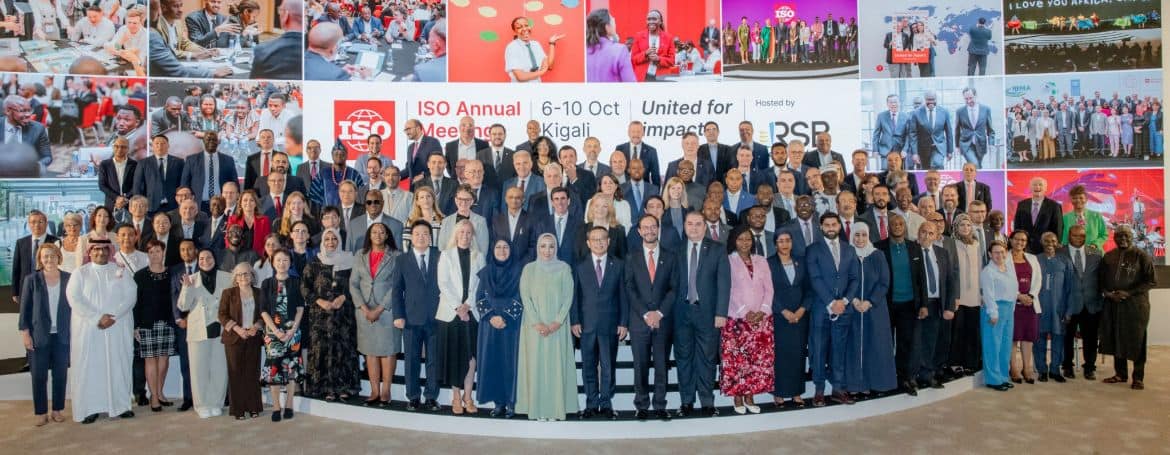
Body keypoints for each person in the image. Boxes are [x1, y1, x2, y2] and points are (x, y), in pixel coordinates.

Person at [67, 239, 137, 423]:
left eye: (104, 249)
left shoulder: (121, 271)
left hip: (117, 327)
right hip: (90, 329)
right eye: (96, 249)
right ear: (89, 252)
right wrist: (97, 317)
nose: (100, 253)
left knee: (118, 365)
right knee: (90, 368)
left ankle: (121, 406)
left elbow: (131, 295)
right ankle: (90, 408)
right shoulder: (80, 273)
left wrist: (114, 316)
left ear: (110, 251)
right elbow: (74, 299)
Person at [671, 212, 727, 417]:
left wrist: (721, 312)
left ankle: (707, 402)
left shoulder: (718, 249)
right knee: (683, 358)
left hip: (708, 313)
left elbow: (724, 283)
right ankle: (686, 402)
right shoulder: (675, 250)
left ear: (705, 227)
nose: (693, 228)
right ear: (684, 226)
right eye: (690, 224)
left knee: (707, 359)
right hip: (681, 313)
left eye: (698, 224)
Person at [516, 233, 577, 421]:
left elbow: (568, 297)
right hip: (534, 327)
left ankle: (555, 410)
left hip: (557, 327)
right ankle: (537, 410)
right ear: (537, 248)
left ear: (556, 248)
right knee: (535, 367)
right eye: (543, 246)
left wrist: (556, 322)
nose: (547, 250)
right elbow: (525, 297)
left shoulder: (564, 268)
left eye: (551, 246)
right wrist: (537, 323)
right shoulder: (529, 269)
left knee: (556, 368)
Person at [624, 215, 678, 420]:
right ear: (639, 231)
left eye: (653, 227)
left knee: (662, 364)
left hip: (663, 320)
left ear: (658, 229)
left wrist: (659, 313)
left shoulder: (670, 256)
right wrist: (646, 314)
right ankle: (642, 405)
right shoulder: (631, 257)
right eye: (645, 227)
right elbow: (629, 288)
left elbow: (674, 288)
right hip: (639, 321)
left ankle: (660, 404)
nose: (649, 231)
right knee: (641, 365)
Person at [570, 227, 627, 419]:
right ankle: (591, 403)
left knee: (608, 366)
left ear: (608, 241)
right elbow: (575, 296)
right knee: (588, 366)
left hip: (610, 324)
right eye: (594, 239)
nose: (599, 242)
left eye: (602, 239)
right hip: (586, 325)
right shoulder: (579, 266)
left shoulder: (618, 264)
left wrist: (623, 322)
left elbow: (623, 295)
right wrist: (575, 320)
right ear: (588, 243)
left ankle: (606, 403)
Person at [719, 225, 773, 414]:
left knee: (756, 361)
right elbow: (728, 289)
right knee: (738, 360)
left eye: (748, 239)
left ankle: (750, 396)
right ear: (734, 241)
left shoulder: (761, 260)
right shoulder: (728, 261)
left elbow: (769, 289)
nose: (745, 243)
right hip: (737, 320)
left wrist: (763, 310)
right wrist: (745, 312)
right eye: (740, 239)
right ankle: (738, 396)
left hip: (761, 321)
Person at [806, 212, 858, 406]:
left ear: (839, 226)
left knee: (839, 350)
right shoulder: (813, 250)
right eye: (826, 225)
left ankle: (838, 389)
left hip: (844, 309)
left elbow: (854, 279)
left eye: (833, 224)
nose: (830, 228)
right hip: (821, 308)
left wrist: (844, 301)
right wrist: (831, 303)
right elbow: (815, 279)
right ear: (821, 227)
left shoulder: (849, 249)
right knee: (819, 350)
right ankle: (819, 391)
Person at [302, 229, 359, 401]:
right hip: (320, 316)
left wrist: (344, 297)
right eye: (327, 239)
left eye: (334, 238)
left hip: (344, 315)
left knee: (343, 349)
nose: (331, 242)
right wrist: (319, 301)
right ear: (322, 242)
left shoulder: (350, 261)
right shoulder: (314, 262)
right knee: (322, 349)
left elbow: (356, 284)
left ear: (340, 241)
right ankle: (325, 388)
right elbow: (305, 287)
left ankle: (344, 387)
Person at [391, 221, 442, 412]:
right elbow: (397, 290)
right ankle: (413, 397)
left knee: (434, 360)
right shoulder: (402, 260)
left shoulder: (439, 256)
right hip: (411, 318)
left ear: (430, 237)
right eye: (417, 234)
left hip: (436, 317)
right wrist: (398, 315)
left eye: (425, 233)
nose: (421, 237)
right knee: (411, 359)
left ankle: (431, 397)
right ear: (411, 238)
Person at [19, 243, 71, 426]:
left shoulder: (69, 278)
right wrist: (25, 334)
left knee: (60, 375)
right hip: (39, 336)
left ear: (58, 257)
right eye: (45, 256)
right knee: (39, 376)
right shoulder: (31, 280)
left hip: (62, 336)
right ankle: (41, 412)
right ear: (40, 259)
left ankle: (57, 410)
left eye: (52, 255)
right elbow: (24, 309)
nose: (49, 259)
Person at [1099, 226, 1156, 390]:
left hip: (1135, 305)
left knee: (1137, 339)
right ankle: (1120, 374)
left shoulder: (1141, 256)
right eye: (1119, 236)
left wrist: (1128, 293)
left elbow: (1151, 281)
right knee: (1116, 338)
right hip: (1113, 303)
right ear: (1114, 238)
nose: (1123, 238)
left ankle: (1138, 377)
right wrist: (1108, 294)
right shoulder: (1108, 256)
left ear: (1132, 237)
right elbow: (1101, 280)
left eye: (1126, 235)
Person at [436, 220, 484, 414]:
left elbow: (480, 285)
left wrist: (468, 305)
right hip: (451, 313)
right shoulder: (446, 255)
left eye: (468, 232)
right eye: (461, 232)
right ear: (455, 234)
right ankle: (456, 397)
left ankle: (468, 396)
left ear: (473, 236)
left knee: (471, 357)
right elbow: (443, 283)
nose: (465, 235)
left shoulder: (479, 256)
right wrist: (458, 307)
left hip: (472, 313)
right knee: (455, 356)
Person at [175, 249, 230, 418]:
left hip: (221, 329)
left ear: (215, 258)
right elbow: (183, 306)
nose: (205, 261)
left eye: (209, 257)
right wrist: (187, 288)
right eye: (202, 258)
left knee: (219, 369)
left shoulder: (227, 277)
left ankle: (216, 403)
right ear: (198, 261)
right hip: (199, 330)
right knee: (199, 370)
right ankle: (202, 405)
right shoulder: (191, 279)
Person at [349, 223, 399, 406]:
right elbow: (353, 284)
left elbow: (396, 285)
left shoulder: (396, 256)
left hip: (386, 310)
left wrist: (379, 309)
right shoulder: (359, 255)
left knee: (387, 350)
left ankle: (386, 391)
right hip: (364, 311)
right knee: (370, 351)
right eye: (374, 232)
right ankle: (374, 391)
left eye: (381, 232)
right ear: (369, 235)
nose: (378, 235)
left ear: (387, 235)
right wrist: (364, 308)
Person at [476, 240, 524, 418]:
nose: (502, 250)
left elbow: (522, 296)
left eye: (506, 247)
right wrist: (491, 317)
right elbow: (479, 297)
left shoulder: (519, 271)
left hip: (512, 325)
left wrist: (505, 317)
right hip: (489, 326)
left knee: (510, 363)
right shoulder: (486, 272)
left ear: (511, 250)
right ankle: (498, 403)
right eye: (498, 247)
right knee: (493, 363)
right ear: (492, 250)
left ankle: (511, 402)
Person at [258, 249, 304, 422]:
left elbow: (300, 308)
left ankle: (289, 404)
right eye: (278, 260)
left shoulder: (296, 282)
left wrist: (292, 330)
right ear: (272, 262)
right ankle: (276, 406)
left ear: (290, 262)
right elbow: (263, 310)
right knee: (274, 369)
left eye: (285, 260)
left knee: (291, 368)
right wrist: (276, 331)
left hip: (293, 332)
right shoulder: (266, 283)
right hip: (272, 333)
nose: (282, 263)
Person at [134, 240, 176, 412]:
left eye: (158, 251)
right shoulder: (140, 275)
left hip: (167, 321)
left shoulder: (172, 273)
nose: (155, 255)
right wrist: (135, 325)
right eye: (151, 252)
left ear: (163, 252)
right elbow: (136, 302)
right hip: (147, 323)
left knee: (164, 359)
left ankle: (159, 392)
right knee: (150, 359)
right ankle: (154, 397)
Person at [767, 231, 808, 406]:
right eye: (780, 241)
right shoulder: (769, 263)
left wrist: (801, 310)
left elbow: (809, 289)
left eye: (787, 240)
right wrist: (783, 311)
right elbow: (767, 290)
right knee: (781, 356)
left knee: (798, 355)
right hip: (779, 316)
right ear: (775, 244)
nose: (784, 244)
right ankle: (779, 393)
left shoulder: (801, 261)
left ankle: (796, 392)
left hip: (800, 317)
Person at [219, 262, 263, 419]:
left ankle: (253, 407)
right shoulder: (228, 293)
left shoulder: (259, 293)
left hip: (253, 337)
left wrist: (256, 327)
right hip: (234, 338)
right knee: (235, 374)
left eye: (246, 273)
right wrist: (238, 329)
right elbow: (222, 315)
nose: (243, 277)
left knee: (252, 373)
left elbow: (264, 314)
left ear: (252, 276)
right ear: (235, 278)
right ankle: (238, 410)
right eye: (240, 274)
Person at [1060, 225, 1103, 380]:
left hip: (1091, 303)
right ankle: (1067, 366)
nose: (1079, 238)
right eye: (1075, 235)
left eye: (1082, 236)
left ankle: (1089, 367)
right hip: (1069, 304)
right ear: (1069, 236)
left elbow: (1102, 277)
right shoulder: (1060, 252)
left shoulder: (1096, 254)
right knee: (1067, 337)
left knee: (1091, 338)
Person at [1034, 232, 1076, 383]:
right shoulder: (1035, 260)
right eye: (1046, 241)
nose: (1050, 243)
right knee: (1039, 340)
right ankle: (1042, 370)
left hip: (1059, 308)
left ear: (1057, 243)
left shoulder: (1065, 261)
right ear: (1041, 242)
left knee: (1058, 339)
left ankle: (1055, 370)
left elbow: (1071, 288)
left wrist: (1069, 310)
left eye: (1053, 241)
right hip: (1039, 307)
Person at [947, 214, 983, 376]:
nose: (966, 228)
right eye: (962, 225)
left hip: (975, 295)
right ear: (956, 227)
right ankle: (955, 362)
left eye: (968, 225)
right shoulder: (952, 244)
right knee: (958, 331)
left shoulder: (977, 245)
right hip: (959, 296)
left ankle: (970, 362)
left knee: (972, 330)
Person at [981, 241, 1017, 391]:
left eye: (1002, 252)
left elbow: (1013, 289)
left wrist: (1012, 308)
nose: (999, 255)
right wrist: (993, 313)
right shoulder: (988, 271)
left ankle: (1003, 376)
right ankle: (993, 379)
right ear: (990, 254)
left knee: (1005, 345)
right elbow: (988, 294)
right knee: (992, 345)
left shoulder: (1008, 268)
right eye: (996, 252)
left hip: (1008, 309)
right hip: (994, 309)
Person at [1007, 230, 1042, 384]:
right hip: (1012, 305)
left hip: (1030, 305)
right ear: (1011, 240)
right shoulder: (1004, 257)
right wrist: (1018, 296)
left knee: (1028, 337)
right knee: (1013, 337)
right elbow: (1003, 280)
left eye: (1023, 240)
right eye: (1017, 239)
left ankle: (1027, 368)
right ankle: (1014, 368)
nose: (1020, 242)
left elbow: (1038, 279)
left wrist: (1031, 296)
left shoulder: (1032, 258)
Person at [12, 211, 59, 307]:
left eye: (40, 222)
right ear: (29, 224)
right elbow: (16, 269)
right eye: (33, 222)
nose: (37, 225)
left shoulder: (55, 242)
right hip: (26, 288)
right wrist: (15, 291)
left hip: (49, 287)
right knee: (27, 314)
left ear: (46, 223)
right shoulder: (21, 243)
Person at [250, 0, 304, 80]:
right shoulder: (316, 48)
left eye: (280, 10)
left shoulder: (263, 50)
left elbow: (255, 81)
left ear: (286, 15)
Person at [504, 16, 563, 83]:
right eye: (519, 27)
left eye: (526, 25)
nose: (524, 29)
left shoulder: (536, 44)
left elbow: (549, 66)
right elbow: (521, 77)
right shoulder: (512, 47)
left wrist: (552, 43)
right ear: (515, 31)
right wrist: (542, 71)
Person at [1013, 177, 1063, 254]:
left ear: (1045, 188)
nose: (1037, 187)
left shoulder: (1054, 206)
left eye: (1040, 185)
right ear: (1030, 188)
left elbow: (1058, 229)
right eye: (1034, 185)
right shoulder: (1022, 205)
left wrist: (1055, 248)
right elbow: (1017, 228)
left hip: (1046, 250)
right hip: (1025, 249)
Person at [585, 8, 635, 82]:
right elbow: (630, 84)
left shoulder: (583, 51)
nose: (615, 23)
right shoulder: (620, 50)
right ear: (607, 27)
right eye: (612, 20)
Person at [955, 88, 994, 168]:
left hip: (981, 144)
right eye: (966, 99)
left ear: (976, 96)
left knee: (978, 166)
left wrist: (991, 143)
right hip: (966, 144)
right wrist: (957, 146)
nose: (969, 101)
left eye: (971, 98)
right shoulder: (960, 111)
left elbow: (990, 130)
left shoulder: (986, 109)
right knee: (975, 164)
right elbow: (957, 129)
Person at [1060, 185, 1107, 251]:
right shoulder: (1065, 218)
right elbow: (1064, 239)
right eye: (1074, 198)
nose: (1078, 200)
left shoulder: (1096, 216)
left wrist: (1095, 244)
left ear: (1086, 199)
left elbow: (1104, 235)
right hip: (1073, 253)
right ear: (1071, 200)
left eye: (1081, 198)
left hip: (1094, 253)